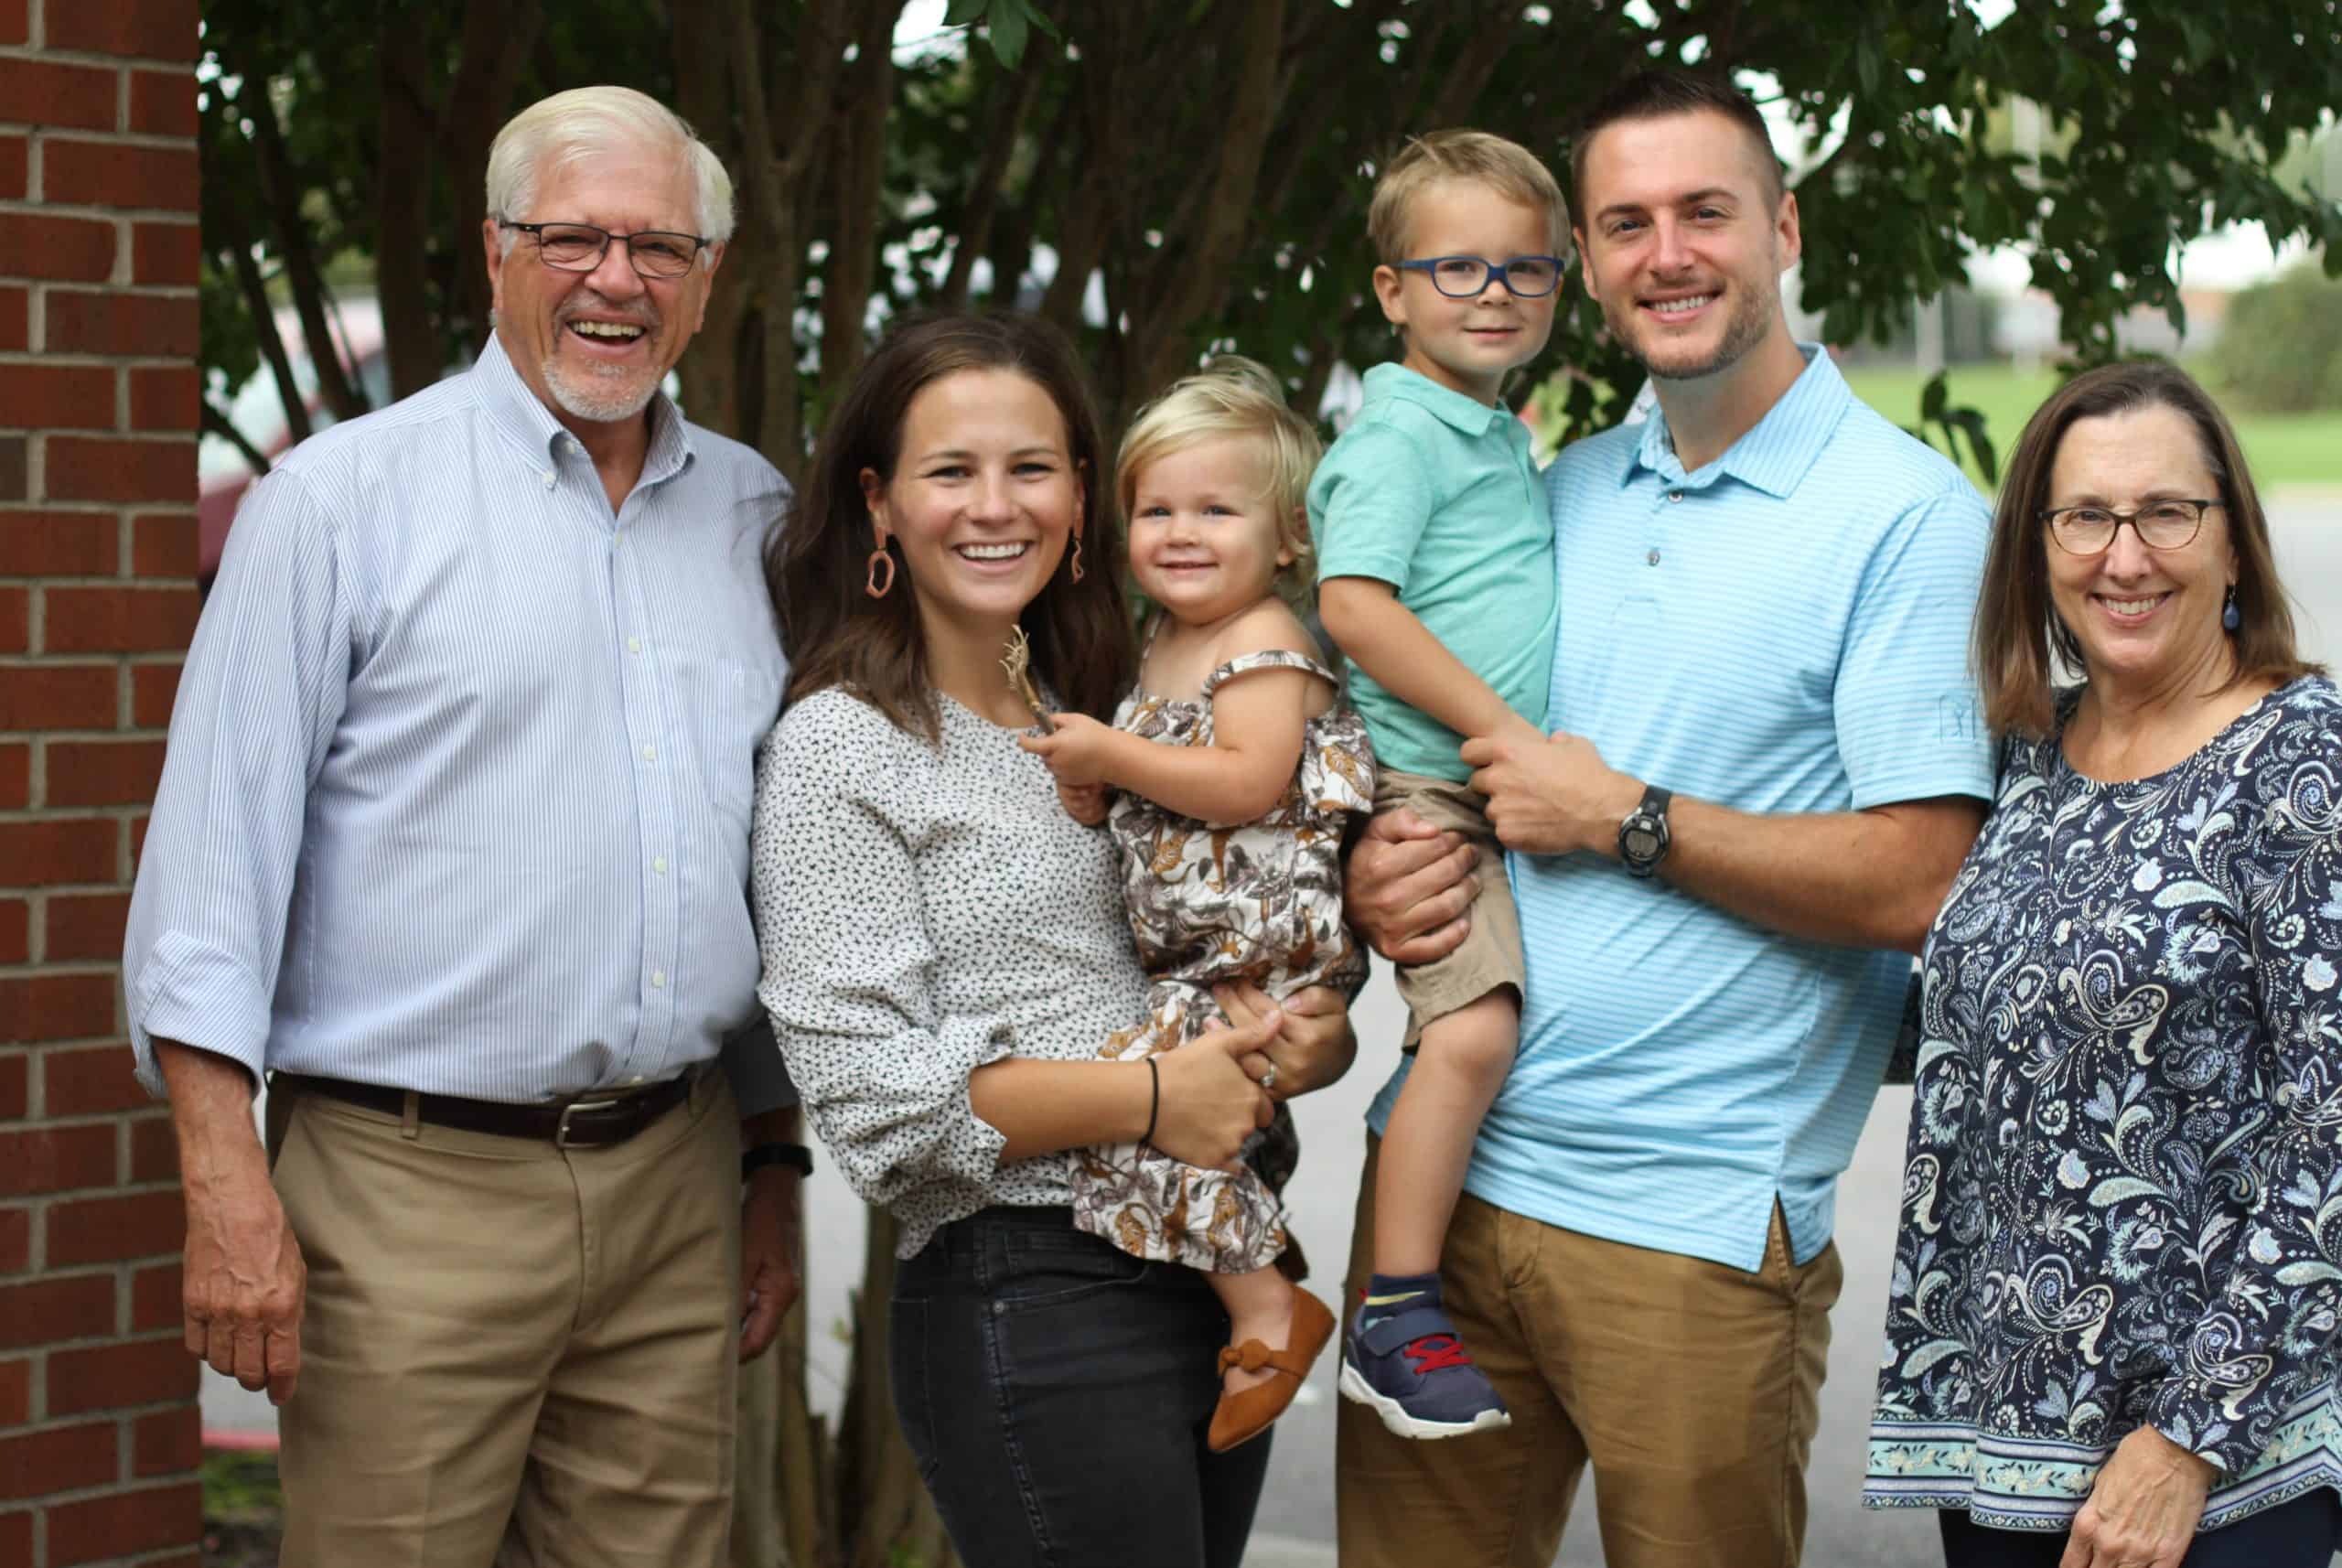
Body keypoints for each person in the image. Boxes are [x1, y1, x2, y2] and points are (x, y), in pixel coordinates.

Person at [123, 86, 805, 1565]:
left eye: (659, 247)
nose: (617, 280)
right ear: (497, 250)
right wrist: (224, 1183)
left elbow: (768, 870)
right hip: (404, 1191)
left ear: (708, 278)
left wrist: (773, 1163)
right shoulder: (338, 504)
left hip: (679, 1181)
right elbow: (210, 878)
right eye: (573, 238)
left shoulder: (757, 516)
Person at [1340, 70, 1996, 1567]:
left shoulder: (1907, 518)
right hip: (1439, 1206)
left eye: (1706, 211)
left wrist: (1626, 816)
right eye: (1626, 223)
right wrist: (1382, 861)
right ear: (1583, 257)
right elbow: (1437, 744)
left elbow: (1924, 879)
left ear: (1785, 229)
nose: (1669, 253)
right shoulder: (1554, 489)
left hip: (1689, 1225)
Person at [754, 313, 1358, 1568]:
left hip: (1209, 1261)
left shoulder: (1111, 711)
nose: (995, 506)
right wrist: (1154, 1097)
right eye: (950, 470)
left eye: (1029, 467)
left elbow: (1225, 928)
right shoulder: (841, 744)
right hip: (1032, 1288)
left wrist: (1313, 1037)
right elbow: (875, 1100)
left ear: (1081, 497)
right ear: (879, 504)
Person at [1864, 361, 2342, 1568]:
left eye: (2166, 512)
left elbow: (2333, 1130)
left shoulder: (2299, 762)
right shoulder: (2026, 754)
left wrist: (2189, 1436)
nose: (2124, 558)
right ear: (2036, 550)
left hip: (2221, 1463)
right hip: (2003, 1434)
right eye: (2085, 517)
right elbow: (2004, 1028)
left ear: (2233, 541)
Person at [1018, 357, 1370, 1453]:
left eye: (1216, 510)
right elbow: (1163, 797)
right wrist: (1101, 788)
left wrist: (1112, 753)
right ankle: (1255, 1253)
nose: (1181, 533)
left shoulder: (1265, 641)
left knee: (1142, 1116)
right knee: (1167, 1120)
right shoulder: (1162, 642)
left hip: (1260, 942)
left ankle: (1268, 1306)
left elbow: (1246, 782)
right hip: (1198, 950)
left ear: (1288, 538)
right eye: (1155, 510)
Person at [1306, 129, 1564, 1441]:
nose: (1495, 292)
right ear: (1392, 290)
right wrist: (1503, 731)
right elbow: (1354, 604)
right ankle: (1394, 1310)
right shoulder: (1402, 435)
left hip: (1472, 774)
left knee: (1471, 1031)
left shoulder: (1490, 431)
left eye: (1527, 267)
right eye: (1456, 266)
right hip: (1430, 781)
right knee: (1470, 1029)